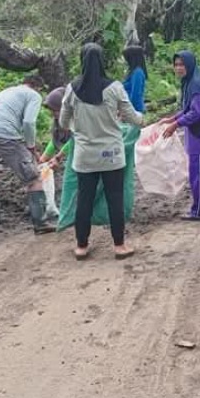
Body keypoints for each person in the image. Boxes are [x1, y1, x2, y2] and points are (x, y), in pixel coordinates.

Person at [59, 43, 144, 259]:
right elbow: (133, 117)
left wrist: (77, 131)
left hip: (85, 155)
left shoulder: (72, 89)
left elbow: (63, 121)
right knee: (115, 198)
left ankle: (81, 246)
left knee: (84, 199)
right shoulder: (114, 88)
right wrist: (143, 120)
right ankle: (119, 246)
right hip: (111, 155)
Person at [0, 75, 54, 231]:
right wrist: (31, 146)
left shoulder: (8, 91)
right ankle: (40, 223)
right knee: (33, 178)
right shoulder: (33, 95)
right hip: (5, 135)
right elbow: (29, 122)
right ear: (37, 87)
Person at [161, 50, 200, 221]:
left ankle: (199, 210)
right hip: (199, 132)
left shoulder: (194, 85)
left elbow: (195, 112)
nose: (178, 68)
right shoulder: (190, 82)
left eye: (182, 64)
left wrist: (175, 125)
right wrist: (173, 118)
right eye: (176, 64)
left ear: (190, 65)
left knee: (198, 172)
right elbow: (188, 109)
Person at [41, 86, 73, 168]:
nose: (53, 114)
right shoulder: (57, 122)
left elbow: (75, 140)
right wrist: (44, 157)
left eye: (55, 111)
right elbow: (55, 140)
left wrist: (58, 157)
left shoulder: (76, 120)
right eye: (51, 111)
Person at [122, 44, 148, 114]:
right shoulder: (132, 71)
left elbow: (135, 94)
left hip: (134, 110)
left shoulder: (137, 73)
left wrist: (127, 110)